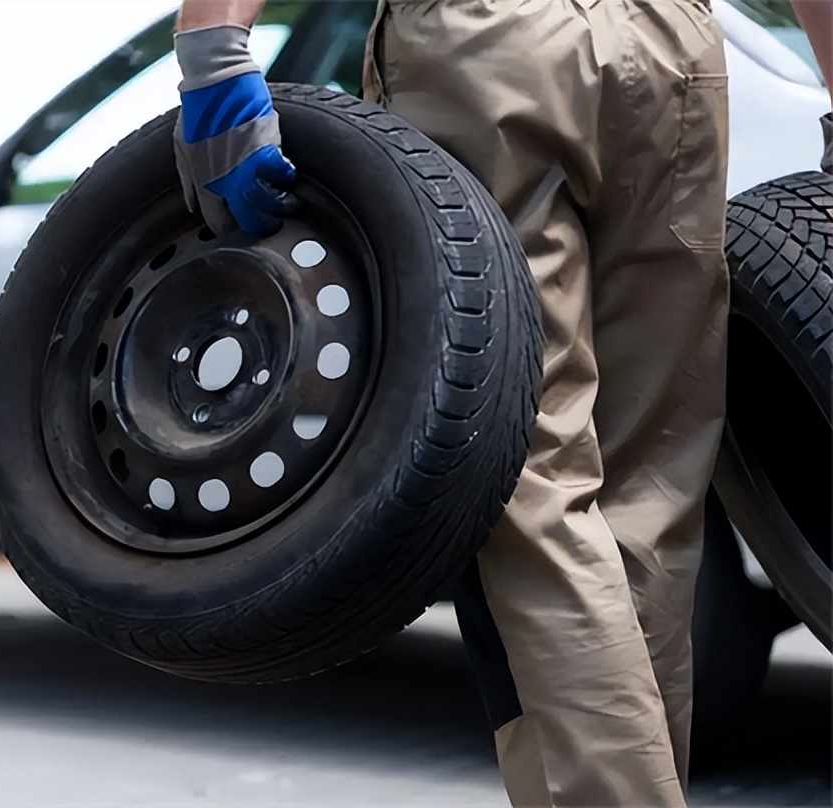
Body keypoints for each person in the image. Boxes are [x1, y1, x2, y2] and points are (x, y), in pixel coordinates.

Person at [171, 1, 832, 805]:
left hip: (491, 45)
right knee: (650, 484)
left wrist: (213, 54)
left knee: (523, 471)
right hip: (672, 48)